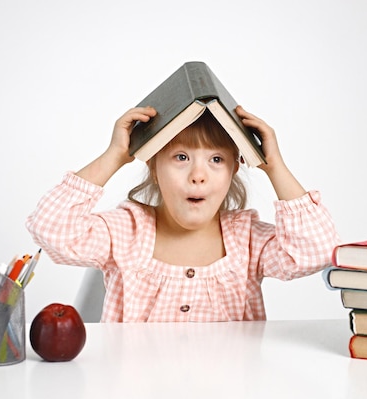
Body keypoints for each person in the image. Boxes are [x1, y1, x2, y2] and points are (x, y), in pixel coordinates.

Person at [26, 105, 340, 322]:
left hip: (228, 397)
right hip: (135, 395)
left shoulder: (247, 240)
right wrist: (115, 156)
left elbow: (317, 250)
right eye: (181, 156)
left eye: (216, 159)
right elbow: (52, 229)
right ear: (153, 164)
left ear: (234, 168)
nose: (198, 175)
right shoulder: (126, 231)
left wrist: (275, 167)